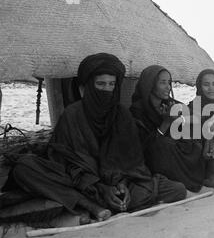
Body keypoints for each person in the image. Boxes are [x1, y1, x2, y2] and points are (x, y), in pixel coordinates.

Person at [1, 53, 186, 223]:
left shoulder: (122, 115)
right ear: (85, 89)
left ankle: (100, 203)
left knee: (176, 189)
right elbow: (62, 160)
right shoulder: (72, 115)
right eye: (101, 84)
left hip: (117, 182)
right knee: (24, 168)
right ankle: (90, 206)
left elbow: (133, 161)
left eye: (111, 85)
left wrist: (120, 184)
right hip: (83, 184)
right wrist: (99, 186)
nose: (107, 90)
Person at [130, 65, 206, 192]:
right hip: (152, 157)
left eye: (169, 82)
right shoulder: (137, 111)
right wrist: (166, 123)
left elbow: (197, 118)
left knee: (194, 140)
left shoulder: (170, 103)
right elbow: (145, 146)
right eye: (163, 83)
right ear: (150, 84)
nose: (168, 87)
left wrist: (181, 119)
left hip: (174, 151)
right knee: (164, 144)